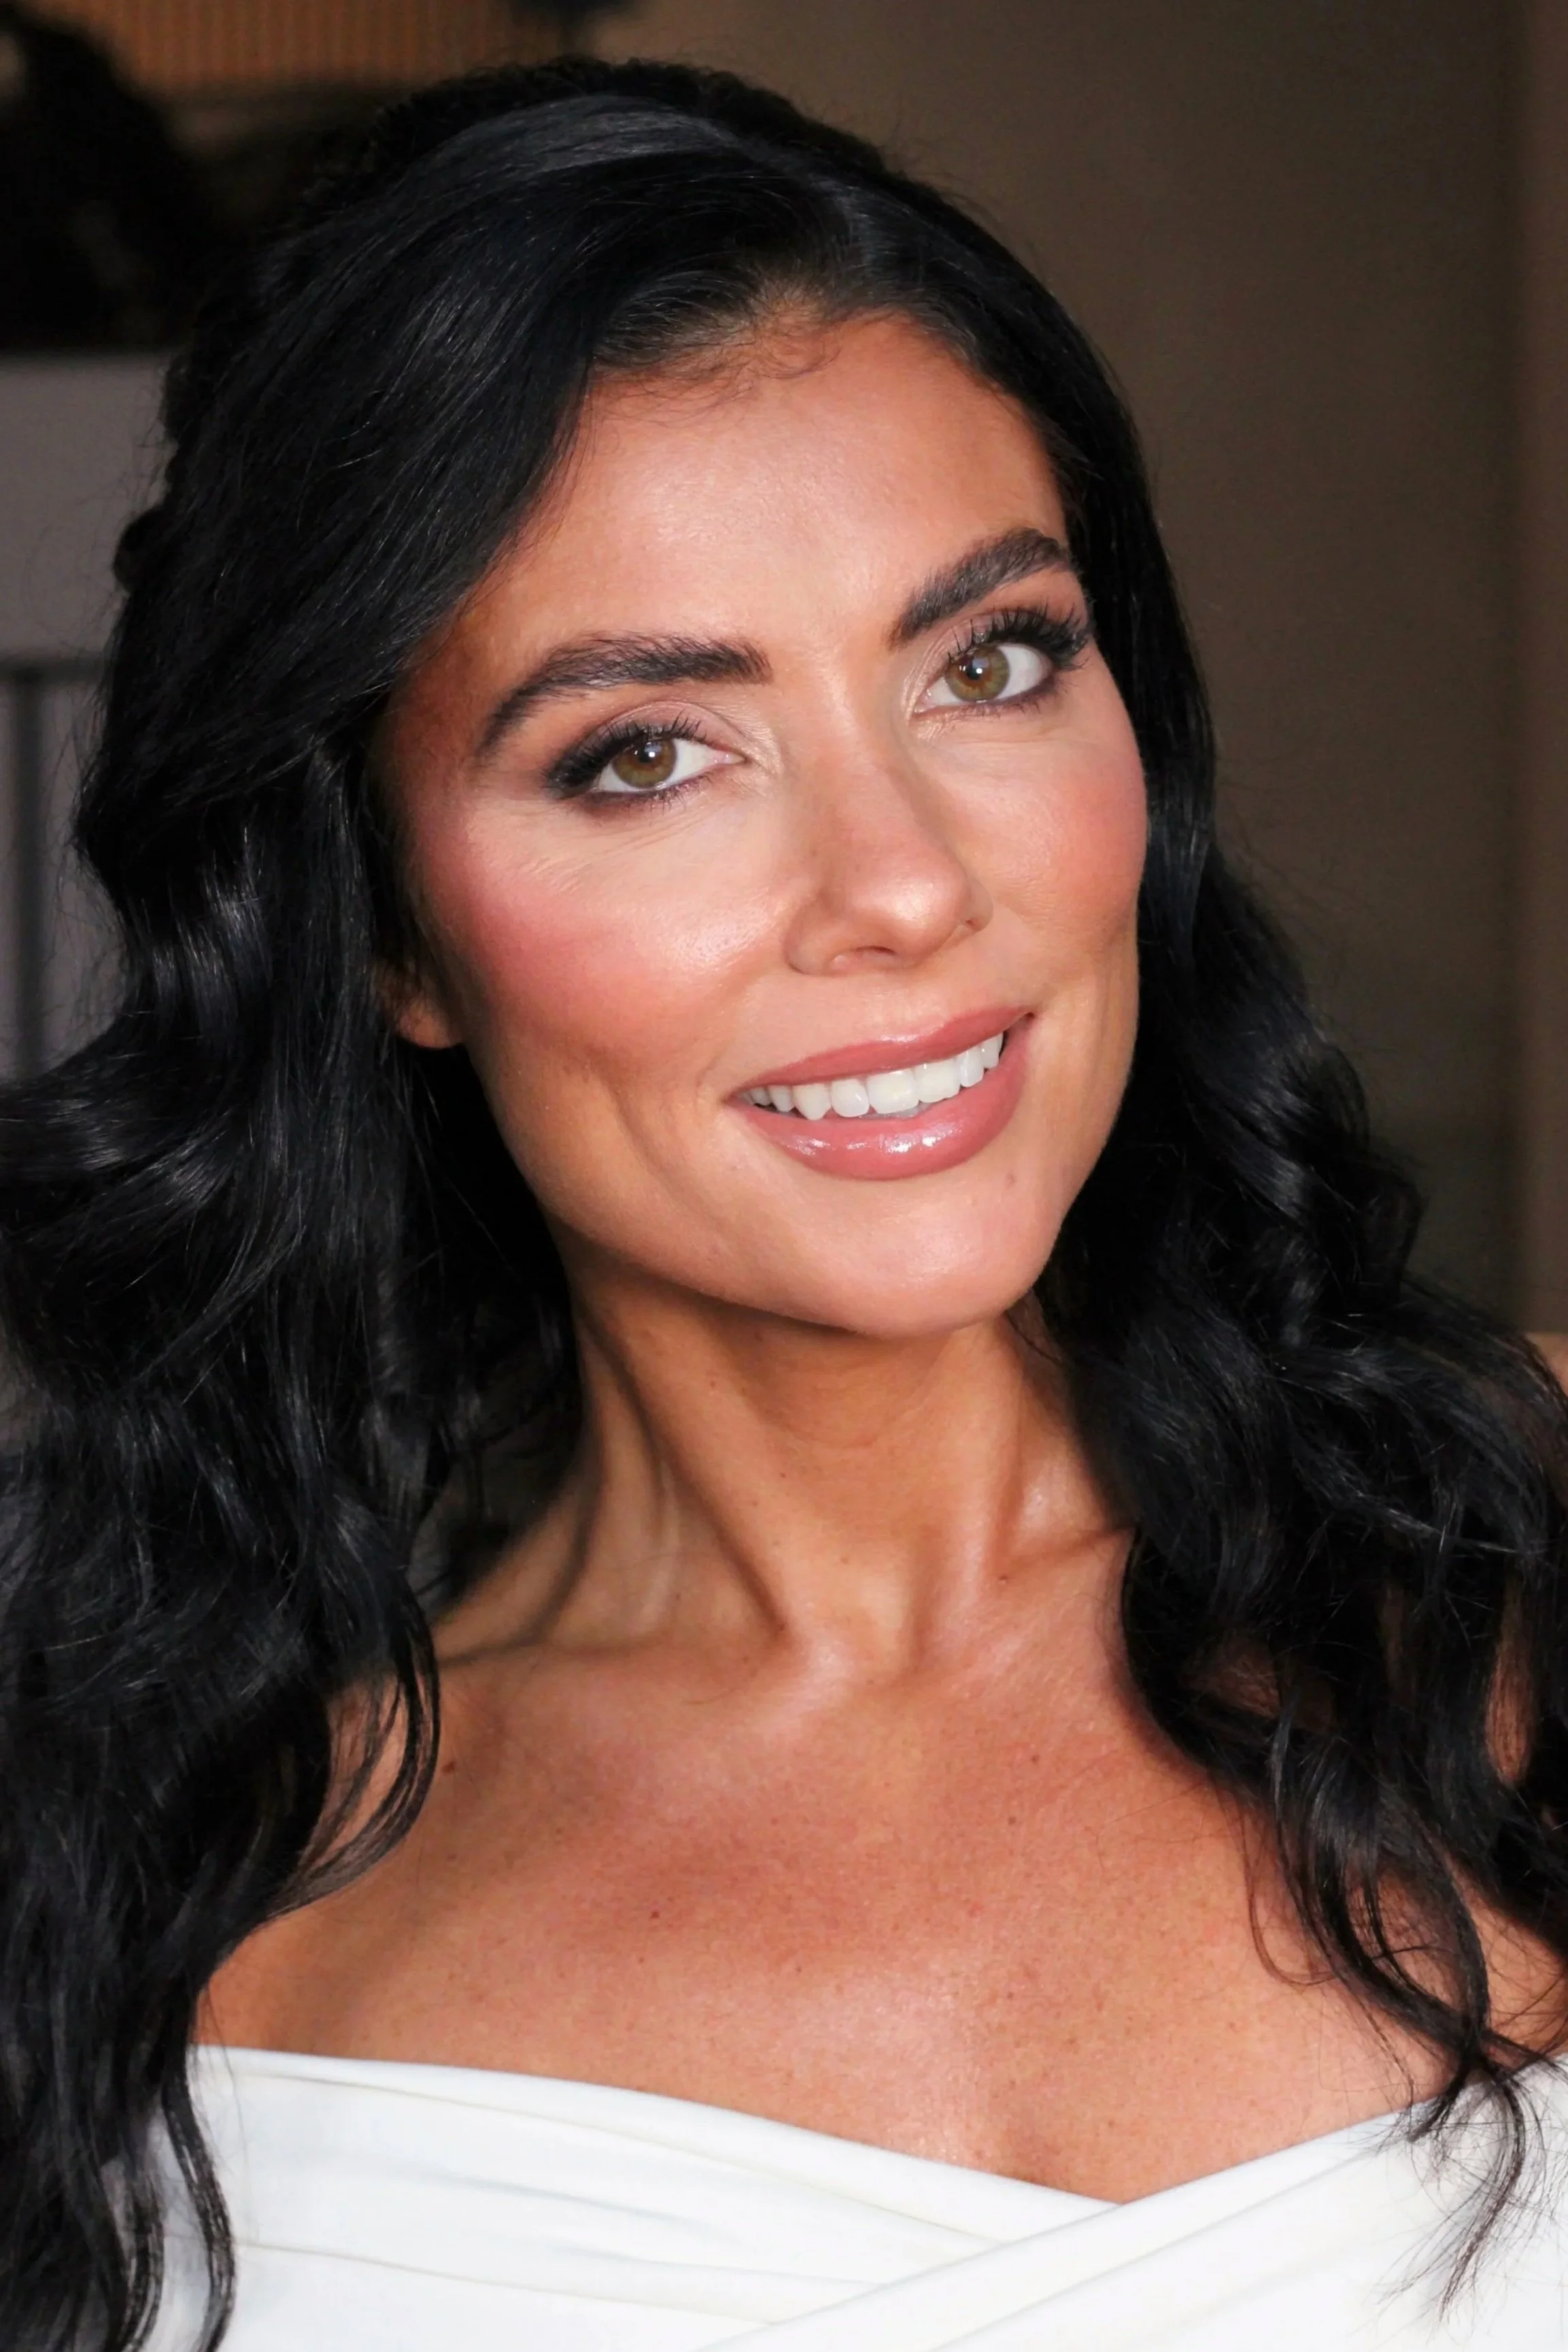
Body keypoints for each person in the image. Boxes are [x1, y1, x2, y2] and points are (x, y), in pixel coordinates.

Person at [3, 56, 1568, 2352]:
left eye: (991, 659)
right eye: (646, 753)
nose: (908, 884)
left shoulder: (1536, 1548)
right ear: (387, 932)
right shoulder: (167, 1913)